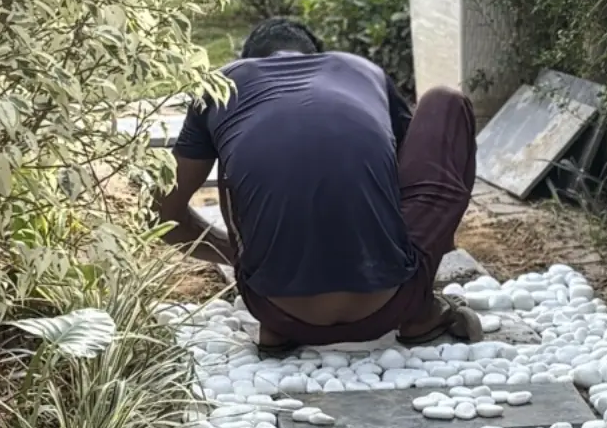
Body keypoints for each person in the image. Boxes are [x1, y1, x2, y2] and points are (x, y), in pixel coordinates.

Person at [156, 18, 482, 350]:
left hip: (276, 309)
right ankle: (421, 312)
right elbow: (408, 175)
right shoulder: (363, 71)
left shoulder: (220, 84)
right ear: (317, 56)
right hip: (392, 304)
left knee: (237, 149)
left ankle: (277, 326)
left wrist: (245, 257)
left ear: (247, 60)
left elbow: (163, 216)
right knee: (445, 102)